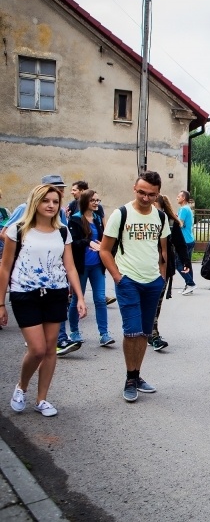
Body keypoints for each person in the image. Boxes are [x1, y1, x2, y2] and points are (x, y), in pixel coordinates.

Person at [0, 184, 87, 417]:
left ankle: (42, 399)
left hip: (56, 294)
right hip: (24, 294)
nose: (51, 205)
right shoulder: (17, 230)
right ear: (35, 202)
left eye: (55, 202)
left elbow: (69, 266)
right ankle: (22, 386)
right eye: (46, 201)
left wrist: (79, 296)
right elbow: (5, 268)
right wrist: (0, 304)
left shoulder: (62, 232)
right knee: (37, 349)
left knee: (50, 349)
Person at [99, 171, 169, 403]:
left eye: (151, 194)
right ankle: (130, 379)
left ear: (157, 194)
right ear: (134, 189)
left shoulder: (160, 217)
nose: (146, 198)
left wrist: (161, 276)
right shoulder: (121, 214)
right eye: (142, 192)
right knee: (132, 331)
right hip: (128, 280)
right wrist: (118, 277)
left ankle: (137, 375)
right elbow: (104, 250)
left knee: (145, 333)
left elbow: (163, 250)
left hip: (152, 283)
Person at [66, 190, 115, 347]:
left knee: (100, 299)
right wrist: (88, 242)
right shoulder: (74, 220)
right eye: (93, 200)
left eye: (98, 200)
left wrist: (102, 246)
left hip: (96, 266)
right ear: (85, 201)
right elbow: (72, 243)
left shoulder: (97, 219)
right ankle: (74, 331)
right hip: (80, 267)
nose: (96, 203)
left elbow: (103, 240)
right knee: (76, 300)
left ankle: (104, 334)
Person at [148, 195, 191, 352]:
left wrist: (186, 261)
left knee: (156, 302)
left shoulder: (171, 222)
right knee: (147, 302)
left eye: (154, 203)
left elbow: (180, 244)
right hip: (144, 268)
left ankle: (153, 333)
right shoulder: (144, 221)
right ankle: (147, 332)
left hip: (165, 267)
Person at [175, 190, 197, 295]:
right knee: (187, 264)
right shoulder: (187, 208)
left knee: (178, 263)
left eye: (179, 196)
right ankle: (189, 286)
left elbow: (180, 224)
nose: (177, 198)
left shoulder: (183, 209)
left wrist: (174, 218)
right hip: (189, 239)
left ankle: (190, 283)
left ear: (184, 198)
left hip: (184, 241)